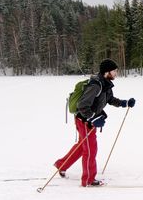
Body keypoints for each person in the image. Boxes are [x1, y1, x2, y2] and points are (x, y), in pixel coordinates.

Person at [54, 59, 135, 187]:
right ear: (107, 72)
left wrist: (124, 103)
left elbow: (110, 99)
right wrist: (92, 118)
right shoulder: (96, 85)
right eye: (114, 71)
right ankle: (88, 180)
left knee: (82, 146)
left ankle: (61, 165)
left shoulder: (106, 84)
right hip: (85, 121)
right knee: (90, 149)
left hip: (89, 121)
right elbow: (82, 105)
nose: (116, 73)